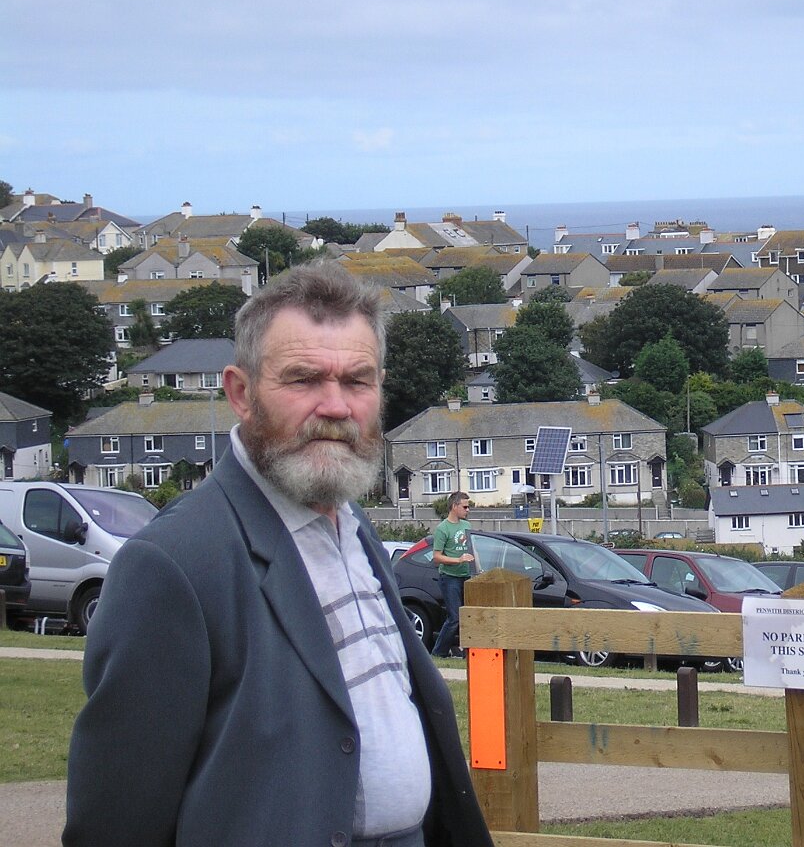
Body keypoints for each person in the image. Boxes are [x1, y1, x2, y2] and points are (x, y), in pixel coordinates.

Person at [64, 263, 492, 847]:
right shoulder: (171, 565)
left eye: (357, 381)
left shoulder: (352, 525)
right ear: (241, 393)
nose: (336, 406)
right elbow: (117, 821)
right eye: (303, 380)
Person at [430, 491, 475, 658]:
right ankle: (438, 652)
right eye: (465, 507)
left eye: (468, 507)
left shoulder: (467, 526)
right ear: (454, 506)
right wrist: (458, 560)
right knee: (454, 617)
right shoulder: (443, 529)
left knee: (469, 616)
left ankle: (468, 653)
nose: (467, 510)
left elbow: (473, 549)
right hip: (450, 578)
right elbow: (437, 557)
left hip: (467, 576)